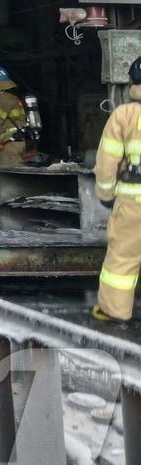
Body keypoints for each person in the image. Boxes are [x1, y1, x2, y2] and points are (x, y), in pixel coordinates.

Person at [92, 56, 141, 323]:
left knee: (122, 260)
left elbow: (107, 162)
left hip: (133, 202)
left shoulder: (124, 115)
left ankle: (115, 312)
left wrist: (106, 195)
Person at [0, 66, 31, 167]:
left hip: (10, 146)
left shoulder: (4, 98)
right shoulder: (11, 96)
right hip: (15, 143)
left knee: (9, 178)